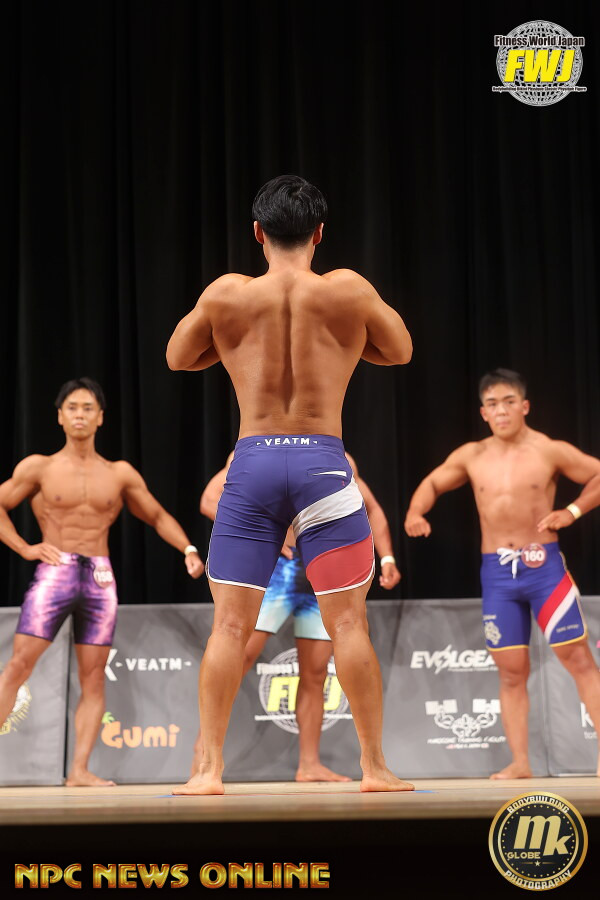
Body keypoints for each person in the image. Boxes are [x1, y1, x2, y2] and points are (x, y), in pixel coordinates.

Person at [167, 174, 412, 794]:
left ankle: (208, 770)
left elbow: (177, 357)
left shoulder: (227, 294)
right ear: (319, 234)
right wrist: (348, 346)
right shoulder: (348, 289)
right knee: (348, 624)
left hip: (252, 461)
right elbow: (400, 350)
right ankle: (375, 768)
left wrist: (232, 349)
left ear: (258, 233)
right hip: (323, 462)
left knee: (229, 627)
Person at [0, 377, 204, 786]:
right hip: (55, 572)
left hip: (100, 578)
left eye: (88, 408)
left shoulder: (119, 473)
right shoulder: (39, 467)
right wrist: (24, 547)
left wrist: (188, 549)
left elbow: (157, 515)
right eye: (72, 407)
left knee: (93, 677)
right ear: (60, 417)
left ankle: (79, 771)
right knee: (19, 665)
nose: (80, 414)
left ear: (100, 418)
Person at [404, 368, 600, 779]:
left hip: (543, 567)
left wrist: (572, 511)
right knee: (511, 672)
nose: (502, 410)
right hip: (497, 574)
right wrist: (415, 512)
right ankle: (520, 763)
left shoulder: (549, 450)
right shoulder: (471, 455)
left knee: (579, 660)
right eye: (492, 404)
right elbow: (433, 483)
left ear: (524, 406)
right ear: (483, 412)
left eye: (509, 402)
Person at [191, 451, 401, 781]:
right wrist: (267, 533)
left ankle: (309, 764)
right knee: (241, 652)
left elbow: (369, 508)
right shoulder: (253, 450)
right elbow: (209, 499)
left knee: (316, 672)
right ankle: (205, 756)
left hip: (323, 569)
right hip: (279, 570)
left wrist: (387, 557)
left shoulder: (338, 456)